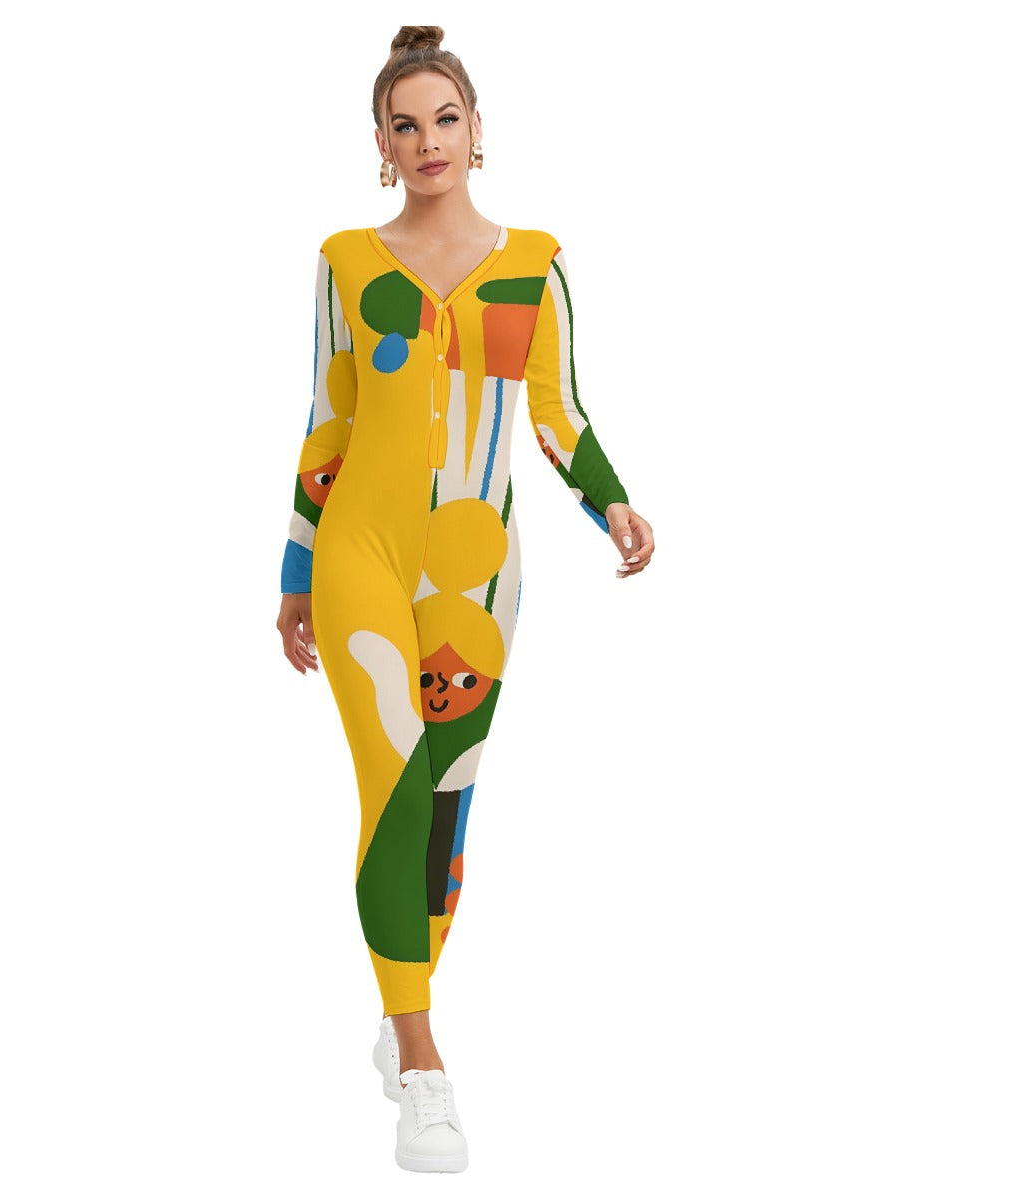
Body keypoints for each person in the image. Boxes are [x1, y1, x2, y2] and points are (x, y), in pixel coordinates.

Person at [275, 25, 655, 1173]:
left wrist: (613, 504)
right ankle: (424, 1064)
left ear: (478, 131)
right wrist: (295, 572)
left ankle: (399, 1000)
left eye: (447, 119)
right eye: (406, 125)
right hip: (360, 555)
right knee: (394, 785)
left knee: (443, 813)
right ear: (381, 144)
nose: (429, 140)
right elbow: (329, 421)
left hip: (479, 581)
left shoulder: (534, 263)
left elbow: (559, 413)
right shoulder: (347, 262)